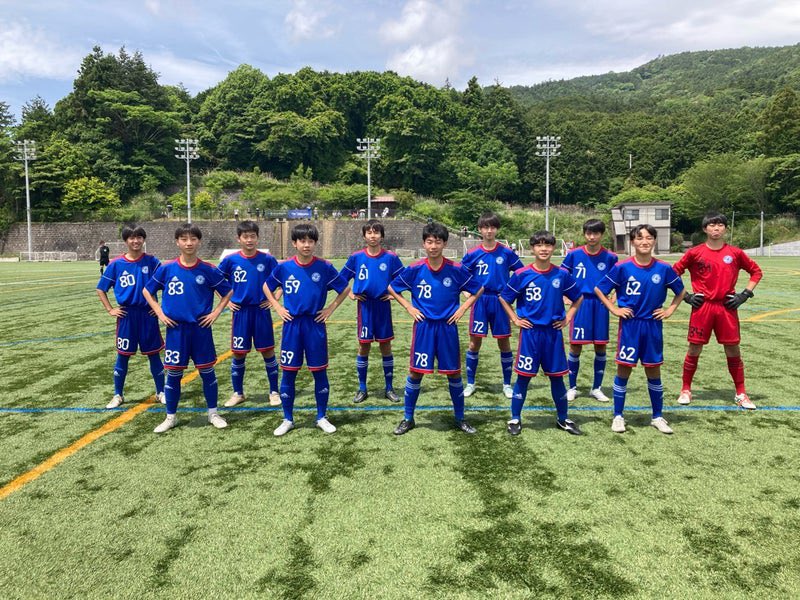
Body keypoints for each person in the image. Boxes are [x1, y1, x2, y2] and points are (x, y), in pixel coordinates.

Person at [388, 222, 483, 435]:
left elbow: (479, 288)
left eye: (437, 242)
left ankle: (460, 418)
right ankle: (408, 418)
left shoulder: (455, 269)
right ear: (424, 243)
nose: (433, 246)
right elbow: (392, 287)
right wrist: (409, 307)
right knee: (416, 372)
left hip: (447, 328)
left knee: (454, 374)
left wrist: (463, 308)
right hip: (424, 327)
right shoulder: (415, 269)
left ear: (445, 244)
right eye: (429, 242)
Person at [595, 224, 686, 434]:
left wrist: (669, 310)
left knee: (653, 370)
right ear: (632, 242)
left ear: (654, 241)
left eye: (648, 238)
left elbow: (680, 292)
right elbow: (600, 289)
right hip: (630, 326)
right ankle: (618, 416)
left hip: (652, 326)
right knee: (624, 369)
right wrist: (614, 309)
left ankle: (657, 416)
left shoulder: (663, 268)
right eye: (639, 238)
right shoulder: (622, 267)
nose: (644, 241)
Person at [143, 223, 233, 433]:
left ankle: (213, 413)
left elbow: (228, 291)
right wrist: (160, 313)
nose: (189, 243)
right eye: (184, 239)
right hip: (176, 331)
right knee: (173, 375)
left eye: (193, 239)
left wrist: (216, 312)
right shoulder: (166, 268)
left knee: (207, 372)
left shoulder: (208, 269)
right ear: (177, 242)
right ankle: (171, 417)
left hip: (200, 330)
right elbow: (147, 291)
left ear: (199, 242)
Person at [264, 223, 351, 436]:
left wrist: (330, 309)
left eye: (311, 241)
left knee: (319, 371)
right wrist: (277, 307)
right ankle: (288, 419)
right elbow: (267, 286)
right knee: (289, 372)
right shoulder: (284, 267)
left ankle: (321, 417)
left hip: (315, 324)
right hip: (292, 325)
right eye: (302, 241)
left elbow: (344, 288)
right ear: (294, 243)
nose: (307, 245)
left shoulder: (324, 267)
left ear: (315, 243)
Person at [671, 212, 763, 409]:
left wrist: (744, 295)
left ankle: (741, 393)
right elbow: (672, 273)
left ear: (725, 229)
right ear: (705, 229)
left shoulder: (735, 253)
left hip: (727, 307)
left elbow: (756, 272)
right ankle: (685, 390)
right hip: (702, 307)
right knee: (694, 348)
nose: (716, 228)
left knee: (733, 349)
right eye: (712, 225)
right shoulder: (695, 253)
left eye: (720, 225)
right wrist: (686, 296)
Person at [499, 231, 584, 436]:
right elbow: (504, 298)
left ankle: (562, 419)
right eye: (539, 245)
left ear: (553, 248)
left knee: (557, 378)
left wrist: (568, 317)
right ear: (532, 248)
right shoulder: (522, 274)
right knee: (523, 377)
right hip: (530, 334)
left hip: (553, 334)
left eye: (547, 245)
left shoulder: (561, 274)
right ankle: (515, 418)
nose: (543, 249)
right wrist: (515, 319)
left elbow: (578, 297)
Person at [96, 226, 165, 409]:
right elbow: (101, 289)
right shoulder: (116, 264)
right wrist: (110, 309)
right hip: (126, 316)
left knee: (154, 355)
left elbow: (166, 285)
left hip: (148, 314)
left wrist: (160, 307)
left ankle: (161, 392)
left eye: (139, 237)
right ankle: (118, 395)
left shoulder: (152, 262)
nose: (136, 241)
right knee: (123, 356)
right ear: (126, 241)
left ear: (143, 239)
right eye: (132, 238)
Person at [217, 220, 281, 408]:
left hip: (261, 311)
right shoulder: (230, 261)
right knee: (238, 353)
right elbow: (215, 282)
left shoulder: (267, 259)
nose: (249, 240)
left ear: (258, 238)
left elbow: (282, 281)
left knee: (268, 351)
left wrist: (274, 299)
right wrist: (227, 301)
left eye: (253, 236)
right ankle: (238, 393)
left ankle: (274, 392)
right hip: (240, 313)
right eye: (245, 237)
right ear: (239, 239)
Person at [340, 219, 405, 404]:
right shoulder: (356, 257)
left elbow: (404, 278)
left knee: (386, 345)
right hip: (365, 306)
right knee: (364, 346)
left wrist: (394, 294)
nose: (373, 236)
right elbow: (341, 279)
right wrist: (351, 294)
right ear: (364, 236)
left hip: (383, 306)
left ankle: (389, 388)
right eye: (369, 232)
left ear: (382, 236)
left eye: (376, 232)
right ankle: (362, 388)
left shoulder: (391, 257)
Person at [460, 213, 524, 400]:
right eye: (485, 227)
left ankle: (507, 384)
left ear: (497, 229)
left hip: (500, 300)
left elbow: (521, 273)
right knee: (474, 342)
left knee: (504, 342)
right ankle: (470, 383)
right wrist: (465, 291)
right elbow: (460, 274)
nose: (489, 231)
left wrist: (511, 292)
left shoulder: (506, 252)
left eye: (492, 227)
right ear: (480, 230)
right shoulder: (473, 253)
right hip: (480, 300)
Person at [560, 219, 618, 403]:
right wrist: (565, 295)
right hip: (580, 303)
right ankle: (572, 387)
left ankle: (596, 388)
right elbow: (562, 275)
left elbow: (620, 279)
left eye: (596, 233)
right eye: (589, 233)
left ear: (602, 235)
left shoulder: (610, 257)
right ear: (584, 234)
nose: (592, 237)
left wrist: (614, 297)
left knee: (600, 345)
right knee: (575, 345)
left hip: (600, 304)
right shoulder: (574, 254)